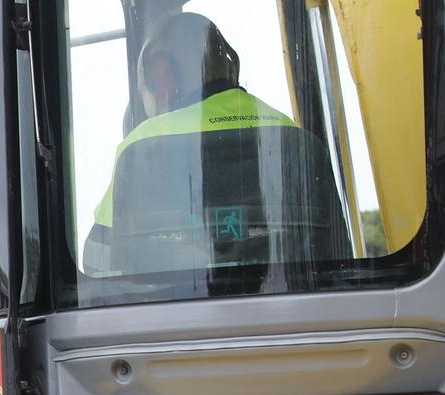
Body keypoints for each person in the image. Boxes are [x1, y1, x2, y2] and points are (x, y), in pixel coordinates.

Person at [88, 13, 295, 254]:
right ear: (231, 66)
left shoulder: (144, 145)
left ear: (161, 76)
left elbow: (98, 254)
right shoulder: (286, 128)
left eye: (142, 91)